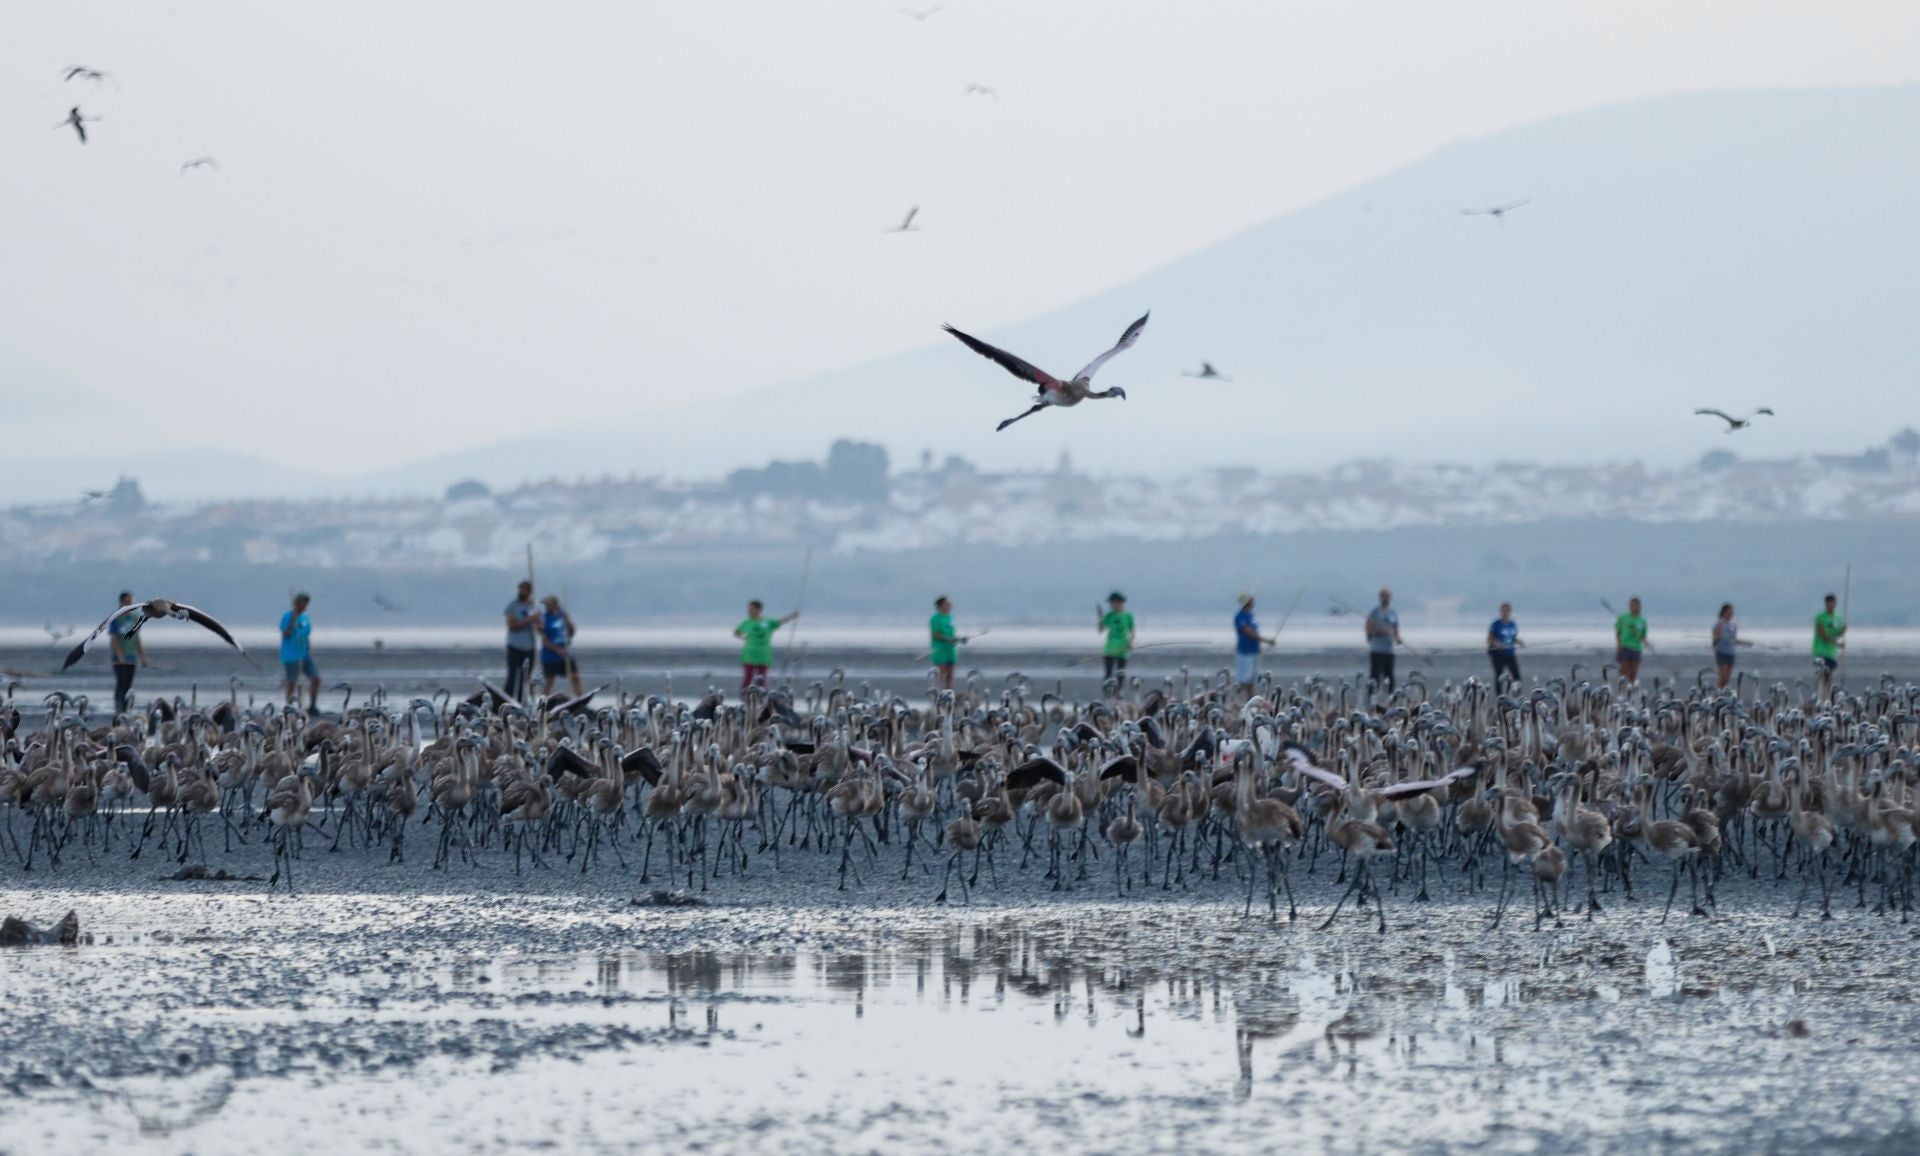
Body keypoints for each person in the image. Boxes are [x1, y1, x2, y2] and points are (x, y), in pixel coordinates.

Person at [735, 599, 798, 691]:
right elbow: (737, 632)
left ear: (759, 609)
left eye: (752, 609)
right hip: (749, 654)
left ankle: (761, 699)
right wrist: (744, 638)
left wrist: (792, 616)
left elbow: (780, 622)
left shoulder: (767, 622)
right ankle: (745, 698)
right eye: (748, 609)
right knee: (748, 678)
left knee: (761, 679)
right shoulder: (747, 622)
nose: (749, 612)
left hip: (763, 654)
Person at [107, 589, 146, 715]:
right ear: (121, 602)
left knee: (129, 685)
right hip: (119, 659)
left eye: (131, 602)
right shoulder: (115, 618)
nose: (129, 604)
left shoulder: (135, 618)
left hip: (132, 657)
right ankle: (119, 710)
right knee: (121, 683)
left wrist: (143, 656)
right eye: (127, 602)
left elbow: (137, 639)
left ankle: (127, 710)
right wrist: (119, 656)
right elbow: (114, 639)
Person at [538, 594, 584, 697]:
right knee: (549, 681)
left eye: (548, 604)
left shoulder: (562, 616)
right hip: (550, 656)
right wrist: (558, 650)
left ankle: (580, 699)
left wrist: (568, 620)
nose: (546, 607)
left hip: (565, 654)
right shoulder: (544, 619)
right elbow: (544, 641)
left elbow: (571, 632)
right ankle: (543, 701)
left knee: (575, 677)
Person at [280, 592, 319, 711]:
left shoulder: (305, 618)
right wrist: (292, 621)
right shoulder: (287, 616)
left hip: (304, 655)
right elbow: (285, 634)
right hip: (291, 655)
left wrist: (309, 650)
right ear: (297, 603)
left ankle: (312, 706)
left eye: (306, 604)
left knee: (316, 678)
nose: (305, 606)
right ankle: (289, 706)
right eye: (303, 603)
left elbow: (306, 635)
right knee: (292, 681)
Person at [1232, 592, 1274, 690]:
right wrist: (1266, 640)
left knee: (1252, 680)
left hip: (1254, 651)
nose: (1253, 602)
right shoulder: (1240, 616)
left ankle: (1249, 700)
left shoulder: (1251, 615)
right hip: (1244, 652)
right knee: (1244, 679)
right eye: (1251, 600)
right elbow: (1248, 631)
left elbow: (1254, 630)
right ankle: (1238, 699)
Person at [504, 580, 538, 700]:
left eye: (524, 590)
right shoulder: (512, 606)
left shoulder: (533, 607)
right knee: (512, 677)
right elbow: (512, 625)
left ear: (529, 592)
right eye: (520, 589)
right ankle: (506, 701)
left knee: (526, 678)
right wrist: (529, 620)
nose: (521, 592)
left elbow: (539, 627)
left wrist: (537, 620)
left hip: (529, 647)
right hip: (514, 646)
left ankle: (521, 701)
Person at [1364, 587, 1402, 691]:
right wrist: (1379, 632)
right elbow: (1368, 628)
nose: (1385, 599)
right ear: (1380, 598)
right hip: (1377, 650)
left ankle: (1390, 698)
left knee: (1389, 676)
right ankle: (1372, 698)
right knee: (1375, 676)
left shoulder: (1392, 613)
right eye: (1383, 597)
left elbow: (1395, 628)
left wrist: (1398, 638)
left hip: (1389, 650)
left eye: (1387, 597)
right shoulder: (1375, 612)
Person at [929, 596, 966, 691]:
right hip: (940, 650)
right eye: (947, 603)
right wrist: (948, 639)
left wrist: (958, 639)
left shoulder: (950, 617)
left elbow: (952, 634)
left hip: (951, 650)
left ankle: (949, 696)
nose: (950, 605)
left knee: (950, 676)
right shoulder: (935, 619)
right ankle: (938, 697)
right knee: (940, 676)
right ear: (941, 606)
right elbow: (935, 635)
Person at [1813, 592, 1846, 700]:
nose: (1831, 605)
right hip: (1821, 651)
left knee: (1829, 676)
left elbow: (1836, 633)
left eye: (1833, 603)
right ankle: (1819, 696)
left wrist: (1842, 631)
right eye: (1829, 603)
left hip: (1831, 653)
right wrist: (1837, 644)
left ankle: (1827, 697)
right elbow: (1823, 636)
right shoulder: (1820, 618)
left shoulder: (1838, 618)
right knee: (1822, 675)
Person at [1098, 592, 1135, 686]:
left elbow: (1132, 632)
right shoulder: (1109, 615)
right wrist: (1100, 618)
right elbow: (1101, 630)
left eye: (1112, 603)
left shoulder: (1128, 616)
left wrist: (1130, 643)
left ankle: (1119, 694)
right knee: (1108, 673)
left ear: (1119, 603)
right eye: (1110, 603)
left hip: (1123, 648)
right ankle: (1108, 694)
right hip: (1110, 648)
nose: (1111, 606)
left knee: (1121, 673)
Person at [1711, 602, 1749, 690]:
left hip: (1731, 654)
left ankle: (1723, 694)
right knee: (1723, 676)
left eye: (1732, 612)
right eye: (1729, 612)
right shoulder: (1719, 625)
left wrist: (1744, 643)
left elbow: (1734, 640)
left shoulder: (1733, 626)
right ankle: (1717, 695)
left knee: (1727, 679)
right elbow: (1714, 641)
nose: (1731, 614)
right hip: (1721, 653)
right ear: (1724, 612)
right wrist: (1718, 637)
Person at [1486, 602, 1523, 687]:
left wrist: (1519, 642)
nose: (1504, 613)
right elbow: (1489, 639)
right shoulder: (1496, 624)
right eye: (1503, 611)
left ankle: (1517, 694)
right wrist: (1497, 644)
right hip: (1498, 653)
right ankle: (1499, 695)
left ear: (1510, 612)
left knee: (1516, 676)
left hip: (1510, 653)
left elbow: (1512, 638)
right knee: (1499, 675)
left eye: (1506, 611)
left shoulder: (1512, 624)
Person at [1614, 596, 1648, 685]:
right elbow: (1618, 632)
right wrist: (1619, 644)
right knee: (1624, 670)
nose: (1633, 607)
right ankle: (1622, 690)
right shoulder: (1624, 617)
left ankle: (1631, 688)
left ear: (1639, 607)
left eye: (1635, 605)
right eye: (1631, 605)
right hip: (1625, 646)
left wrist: (1645, 641)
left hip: (1636, 648)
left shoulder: (1642, 620)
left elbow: (1643, 636)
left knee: (1633, 672)